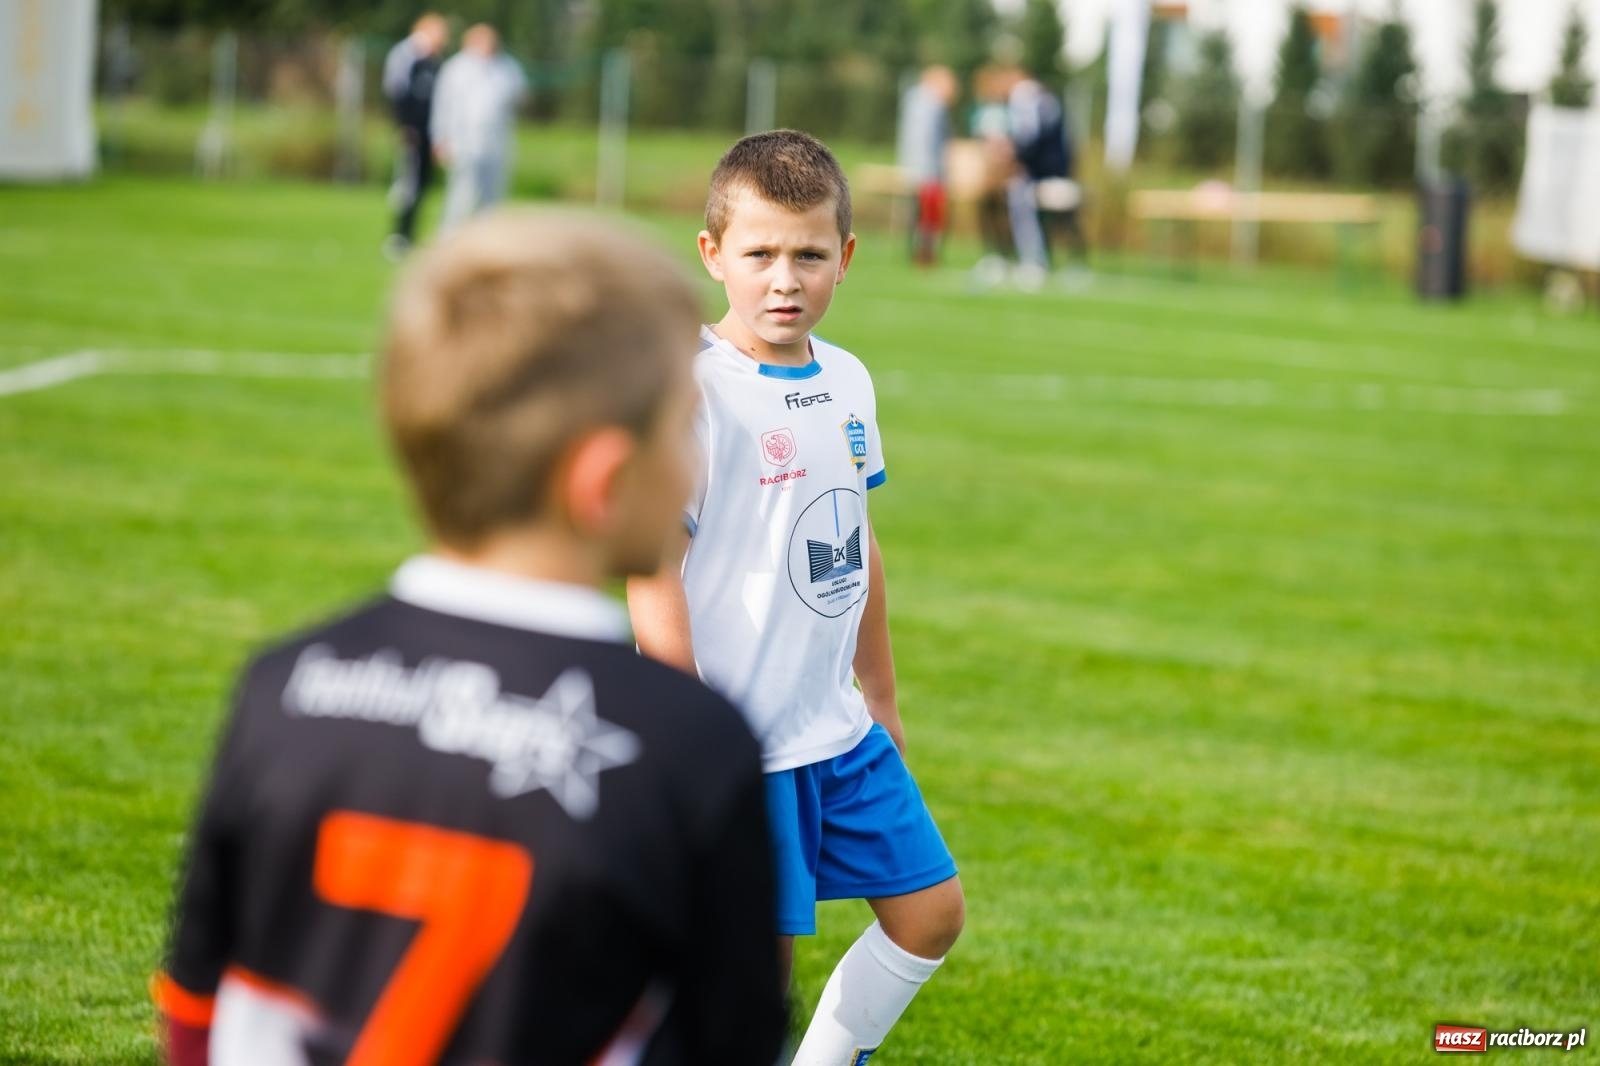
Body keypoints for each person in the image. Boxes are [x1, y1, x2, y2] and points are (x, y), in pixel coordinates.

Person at [153, 210, 787, 1066]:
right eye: (683, 424)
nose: (700, 458)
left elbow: (196, 1011)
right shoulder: (689, 745)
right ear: (601, 481)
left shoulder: (280, 687)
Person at [629, 130, 965, 1066]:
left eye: (809, 254)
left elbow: (855, 541)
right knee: (752, 982)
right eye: (761, 254)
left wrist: (883, 695)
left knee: (931, 914)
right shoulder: (694, 394)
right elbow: (650, 571)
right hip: (746, 746)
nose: (786, 279)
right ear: (712, 256)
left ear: (846, 259)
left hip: (839, 729)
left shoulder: (850, 381)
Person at [431, 24, 528, 230]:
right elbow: (442, 105)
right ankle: (449, 241)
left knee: (492, 200)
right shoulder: (456, 68)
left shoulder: (507, 67)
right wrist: (440, 138)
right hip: (463, 141)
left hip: (497, 142)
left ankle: (488, 246)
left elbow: (520, 96)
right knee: (461, 197)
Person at [1006, 66, 1089, 289]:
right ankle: (1034, 258)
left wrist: (1016, 156)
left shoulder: (1038, 103)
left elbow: (1034, 141)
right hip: (1041, 174)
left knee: (1047, 214)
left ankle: (1038, 261)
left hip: (1048, 175)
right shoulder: (1041, 103)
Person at [381, 13, 449, 259]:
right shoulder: (406, 56)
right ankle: (399, 235)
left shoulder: (435, 60)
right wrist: (404, 127)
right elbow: (397, 93)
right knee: (407, 183)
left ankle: (411, 235)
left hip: (430, 133)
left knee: (422, 184)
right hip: (412, 131)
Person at [896, 65, 958, 267]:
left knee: (918, 213)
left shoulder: (914, 101)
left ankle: (917, 252)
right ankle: (925, 254)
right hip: (928, 170)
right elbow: (931, 141)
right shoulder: (932, 105)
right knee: (928, 215)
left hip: (915, 167)